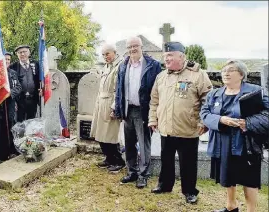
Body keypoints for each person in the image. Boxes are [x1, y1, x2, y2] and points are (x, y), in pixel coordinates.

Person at [200, 60, 269, 212]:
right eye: (224, 70)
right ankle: (231, 206)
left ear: (241, 74)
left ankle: (251, 210)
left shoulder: (256, 91)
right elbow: (204, 113)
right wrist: (220, 119)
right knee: (227, 176)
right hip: (222, 141)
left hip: (246, 141)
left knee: (249, 179)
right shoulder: (215, 93)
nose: (226, 73)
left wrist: (247, 123)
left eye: (231, 70)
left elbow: (267, 114)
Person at [148, 42, 212, 204]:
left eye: (170, 56)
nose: (166, 59)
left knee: (188, 163)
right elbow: (154, 100)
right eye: (164, 56)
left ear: (181, 57)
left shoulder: (197, 75)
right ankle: (164, 185)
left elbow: (208, 100)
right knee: (166, 159)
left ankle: (190, 191)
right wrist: (152, 119)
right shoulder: (161, 76)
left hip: (188, 128)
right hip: (166, 127)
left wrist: (204, 121)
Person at [114, 36, 162, 188]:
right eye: (129, 47)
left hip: (144, 110)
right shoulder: (123, 65)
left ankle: (143, 175)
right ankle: (132, 171)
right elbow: (119, 89)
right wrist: (118, 109)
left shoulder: (153, 65)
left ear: (141, 47)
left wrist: (155, 114)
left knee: (144, 143)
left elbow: (158, 90)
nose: (132, 49)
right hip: (128, 110)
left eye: (135, 46)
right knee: (129, 143)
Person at [91, 44, 126, 174]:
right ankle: (108, 158)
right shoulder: (106, 67)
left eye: (108, 54)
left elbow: (119, 89)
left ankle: (118, 161)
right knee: (100, 132)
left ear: (114, 53)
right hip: (101, 102)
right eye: (103, 54)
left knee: (111, 134)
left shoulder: (119, 66)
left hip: (110, 102)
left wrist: (114, 108)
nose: (106, 57)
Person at [9, 45, 41, 122]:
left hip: (33, 99)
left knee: (31, 122)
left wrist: (42, 89)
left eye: (24, 52)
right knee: (19, 123)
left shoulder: (36, 64)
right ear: (17, 54)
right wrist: (13, 101)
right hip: (19, 101)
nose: (22, 54)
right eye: (20, 52)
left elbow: (40, 79)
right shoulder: (13, 67)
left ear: (29, 52)